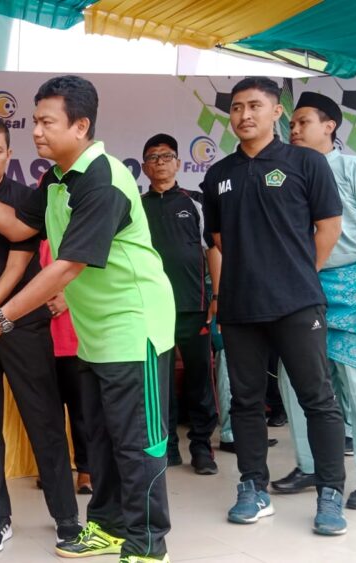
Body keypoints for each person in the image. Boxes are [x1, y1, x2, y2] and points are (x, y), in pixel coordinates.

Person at [0, 75, 176, 563]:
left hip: (134, 326)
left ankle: (148, 545)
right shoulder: (57, 178)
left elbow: (65, 266)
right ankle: (105, 526)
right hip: (95, 331)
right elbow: (19, 226)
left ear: (81, 126)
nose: (36, 131)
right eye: (35, 121)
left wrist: (1, 315)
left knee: (138, 442)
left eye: (46, 122)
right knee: (100, 437)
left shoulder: (102, 179)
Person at [201, 76, 348, 536]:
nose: (245, 115)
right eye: (238, 107)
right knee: (245, 403)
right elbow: (219, 240)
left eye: (255, 106)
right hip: (242, 307)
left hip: (297, 305)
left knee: (317, 399)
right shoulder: (218, 174)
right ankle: (253, 487)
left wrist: (299, 274)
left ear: (276, 111)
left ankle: (330, 493)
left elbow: (328, 226)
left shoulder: (306, 162)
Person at [0, 116, 80, 552]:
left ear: (9, 154)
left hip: (20, 324)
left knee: (44, 421)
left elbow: (17, 264)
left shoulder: (28, 200)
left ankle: (66, 516)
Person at [272, 92, 356, 509]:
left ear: (330, 126)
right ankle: (309, 465)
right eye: (290, 124)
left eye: (303, 121)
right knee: (296, 382)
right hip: (304, 289)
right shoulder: (286, 173)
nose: (294, 129)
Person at [139, 133, 220, 475]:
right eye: (153, 157)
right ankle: (168, 446)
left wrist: (217, 295)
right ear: (144, 167)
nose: (160, 162)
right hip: (150, 308)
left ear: (178, 162)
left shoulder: (196, 202)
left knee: (200, 379)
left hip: (194, 305)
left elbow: (214, 249)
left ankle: (202, 447)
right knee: (160, 383)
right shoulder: (136, 206)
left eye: (166, 156)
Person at [39, 240, 92, 495]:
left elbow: (93, 273)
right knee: (49, 414)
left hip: (74, 339)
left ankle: (86, 470)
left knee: (81, 411)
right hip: (40, 341)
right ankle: (54, 472)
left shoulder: (74, 234)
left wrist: (67, 299)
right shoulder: (31, 237)